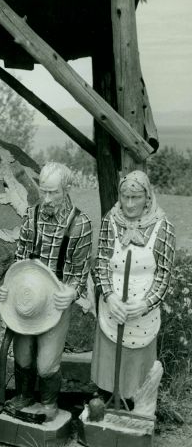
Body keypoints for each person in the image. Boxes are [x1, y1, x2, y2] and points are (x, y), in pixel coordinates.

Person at [0, 162, 92, 421]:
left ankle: (49, 405)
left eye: (54, 193)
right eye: (44, 192)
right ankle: (24, 396)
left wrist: (72, 292)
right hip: (27, 297)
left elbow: (80, 271)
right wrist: (8, 288)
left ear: (67, 189)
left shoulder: (80, 224)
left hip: (55, 300)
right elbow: (19, 260)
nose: (47, 199)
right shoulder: (32, 215)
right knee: (23, 355)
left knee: (46, 363)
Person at [92, 171, 175, 402]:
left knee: (136, 374)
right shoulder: (111, 220)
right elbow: (101, 263)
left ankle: (134, 407)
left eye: (135, 197)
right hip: (113, 309)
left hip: (142, 313)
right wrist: (109, 297)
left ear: (147, 197)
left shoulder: (163, 227)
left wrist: (145, 304)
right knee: (108, 368)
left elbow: (164, 276)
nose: (129, 204)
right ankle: (105, 405)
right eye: (125, 196)